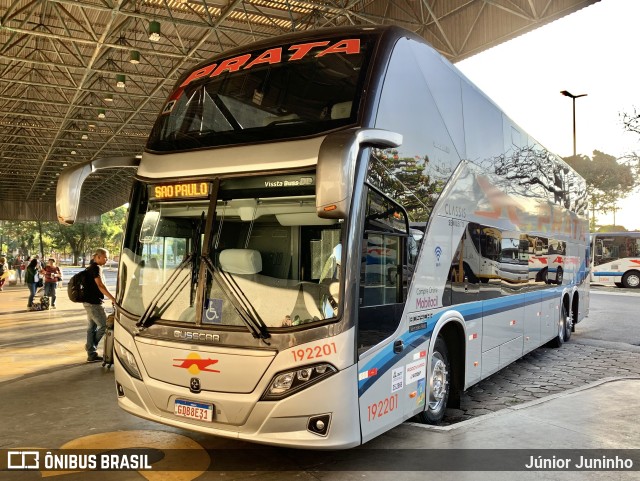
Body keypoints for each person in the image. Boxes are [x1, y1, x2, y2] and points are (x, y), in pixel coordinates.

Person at [83, 248, 116, 363]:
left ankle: (91, 354)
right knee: (104, 326)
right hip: (93, 304)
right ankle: (90, 347)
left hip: (89, 302)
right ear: (97, 257)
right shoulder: (95, 268)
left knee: (91, 328)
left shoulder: (92, 267)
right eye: (105, 257)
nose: (107, 259)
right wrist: (113, 298)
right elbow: (100, 285)